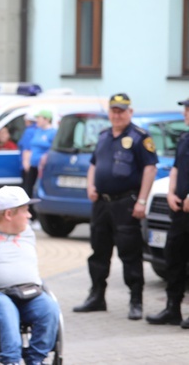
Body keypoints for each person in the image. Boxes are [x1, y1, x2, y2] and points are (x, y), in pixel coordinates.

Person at [73, 93, 158, 320]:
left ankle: (136, 300)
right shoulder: (103, 136)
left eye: (121, 111)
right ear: (109, 112)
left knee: (130, 254)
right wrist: (90, 185)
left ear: (130, 112)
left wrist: (142, 200)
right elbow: (94, 164)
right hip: (102, 204)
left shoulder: (140, 137)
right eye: (114, 111)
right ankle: (97, 297)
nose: (117, 115)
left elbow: (151, 168)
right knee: (98, 252)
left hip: (126, 203)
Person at [0, 186, 60, 365]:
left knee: (50, 310)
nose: (30, 215)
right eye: (25, 211)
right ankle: (11, 361)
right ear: (9, 214)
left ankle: (36, 359)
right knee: (7, 316)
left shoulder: (27, 232)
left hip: (31, 291)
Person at [146, 96, 189, 327]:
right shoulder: (184, 138)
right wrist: (172, 193)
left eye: (188, 109)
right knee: (174, 259)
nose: (185, 113)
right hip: (180, 212)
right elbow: (175, 169)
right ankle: (173, 308)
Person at [21, 109, 56, 198]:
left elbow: (53, 148)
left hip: (43, 167)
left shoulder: (53, 132)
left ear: (47, 119)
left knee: (39, 189)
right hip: (33, 165)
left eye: (39, 118)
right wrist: (27, 160)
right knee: (28, 189)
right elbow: (31, 147)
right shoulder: (37, 131)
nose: (37, 120)